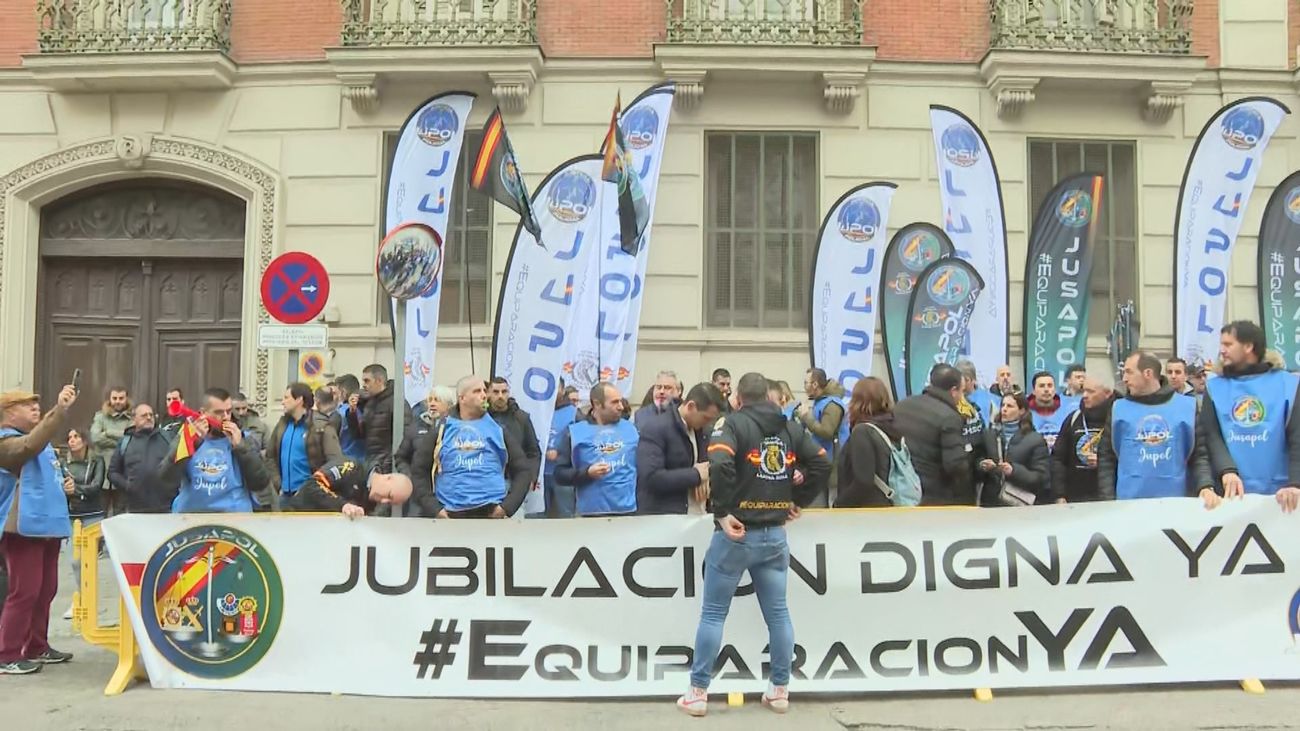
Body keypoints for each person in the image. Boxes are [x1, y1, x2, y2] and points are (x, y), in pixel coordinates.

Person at [677, 372, 830, 717]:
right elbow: (822, 462)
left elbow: (719, 463)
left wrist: (723, 511)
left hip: (736, 532)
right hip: (775, 533)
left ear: (738, 398)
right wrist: (798, 500)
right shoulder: (791, 427)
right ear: (770, 396)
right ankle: (779, 690)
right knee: (778, 614)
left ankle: (698, 692)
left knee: (714, 613)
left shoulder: (729, 425)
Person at [0, 383, 77, 675]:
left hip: (46, 524)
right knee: (24, 591)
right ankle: (6, 654)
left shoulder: (38, 442)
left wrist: (68, 484)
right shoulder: (6, 442)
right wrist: (61, 410)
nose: (35, 407)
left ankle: (36, 645)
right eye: (25, 404)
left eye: (36, 404)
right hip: (21, 528)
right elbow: (28, 447)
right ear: (7, 414)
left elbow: (48, 470)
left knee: (46, 589)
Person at [1200, 320, 1300, 507]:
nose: (1222, 350)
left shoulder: (1289, 384)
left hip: (1282, 493)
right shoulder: (1214, 386)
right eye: (1221, 344)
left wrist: (1296, 483)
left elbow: (1297, 436)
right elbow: (1211, 435)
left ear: (1248, 346)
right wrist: (1226, 470)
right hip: (1230, 492)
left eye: (1228, 344)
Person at [411, 375, 532, 519]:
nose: (483, 395)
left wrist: (506, 507)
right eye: (476, 391)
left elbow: (523, 470)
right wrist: (435, 509)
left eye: (484, 390)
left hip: (491, 514)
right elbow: (419, 471)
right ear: (462, 398)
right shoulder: (441, 431)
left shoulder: (498, 431)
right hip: (450, 516)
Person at [1097, 352, 1212, 500]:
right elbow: (1106, 459)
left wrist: (1205, 486)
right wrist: (1108, 499)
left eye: (1129, 372)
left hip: (1174, 505)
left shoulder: (1187, 406)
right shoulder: (1117, 408)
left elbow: (1199, 455)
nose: (1124, 379)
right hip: (1127, 505)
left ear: (1148, 373)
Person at [161, 388, 272, 513]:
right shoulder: (187, 436)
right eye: (219, 412)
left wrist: (241, 448)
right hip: (193, 516)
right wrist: (192, 443)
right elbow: (166, 479)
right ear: (203, 413)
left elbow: (261, 482)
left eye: (229, 412)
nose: (225, 417)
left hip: (234, 517)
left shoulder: (244, 437)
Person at [636, 382, 725, 515]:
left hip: (697, 514)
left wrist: (706, 475)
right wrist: (696, 475)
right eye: (706, 418)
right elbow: (651, 477)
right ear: (691, 406)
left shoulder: (701, 431)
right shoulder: (655, 428)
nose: (708, 423)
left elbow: (705, 466)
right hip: (665, 518)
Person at [554, 382, 640, 516]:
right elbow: (559, 474)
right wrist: (587, 473)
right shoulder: (575, 432)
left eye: (621, 401)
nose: (621, 407)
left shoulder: (632, 429)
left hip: (628, 512)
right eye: (615, 402)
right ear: (597, 404)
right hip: (592, 514)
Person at [892, 364, 973, 505]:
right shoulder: (950, 418)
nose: (962, 397)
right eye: (962, 392)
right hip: (934, 495)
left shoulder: (901, 405)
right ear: (953, 391)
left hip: (900, 489)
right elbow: (955, 465)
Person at [265, 383, 343, 505]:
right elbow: (270, 456)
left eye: (286, 398)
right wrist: (278, 483)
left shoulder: (321, 427)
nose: (282, 402)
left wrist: (313, 487)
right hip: (284, 496)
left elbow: (335, 462)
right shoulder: (282, 425)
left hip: (311, 497)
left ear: (299, 400)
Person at [835, 376, 904, 508]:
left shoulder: (863, 432)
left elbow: (863, 480)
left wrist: (840, 503)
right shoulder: (893, 426)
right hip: (891, 504)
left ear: (857, 401)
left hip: (867, 510)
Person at [60, 428, 104, 621]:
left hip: (93, 514)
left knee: (89, 561)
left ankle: (88, 600)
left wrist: (75, 490)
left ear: (85, 440)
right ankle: (80, 599)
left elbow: (96, 486)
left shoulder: (96, 460)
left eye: (76, 436)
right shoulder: (63, 463)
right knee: (74, 560)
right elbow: (60, 485)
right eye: (69, 437)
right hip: (72, 515)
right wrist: (65, 490)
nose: (72, 440)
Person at [978, 392, 1051, 505]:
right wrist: (982, 465)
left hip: (1019, 502)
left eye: (1009, 406)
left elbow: (1041, 477)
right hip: (991, 502)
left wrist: (1014, 471)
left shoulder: (1035, 439)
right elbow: (976, 460)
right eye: (1003, 405)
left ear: (1021, 411)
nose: (1004, 409)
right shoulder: (989, 435)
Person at [1050, 378, 1115, 503]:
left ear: (1107, 394)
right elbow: (1058, 459)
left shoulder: (1117, 418)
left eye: (1091, 392)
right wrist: (1059, 494)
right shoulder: (1074, 418)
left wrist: (1104, 461)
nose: (1085, 395)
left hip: (1109, 497)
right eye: (1084, 390)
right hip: (1075, 497)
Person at [792, 368, 847, 507]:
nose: (804, 386)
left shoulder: (832, 404)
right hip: (821, 461)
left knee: (830, 504)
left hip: (832, 462)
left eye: (806, 382)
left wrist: (806, 417)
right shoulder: (820, 402)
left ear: (815, 384)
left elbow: (827, 431)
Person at [107, 404, 175, 513]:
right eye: (144, 415)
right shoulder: (125, 442)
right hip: (134, 508)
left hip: (165, 508)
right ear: (134, 419)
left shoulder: (167, 438)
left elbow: (178, 465)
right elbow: (112, 472)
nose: (148, 418)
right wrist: (128, 486)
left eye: (151, 415)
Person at [288, 460, 412, 518]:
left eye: (390, 503)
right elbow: (313, 484)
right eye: (389, 495)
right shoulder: (350, 468)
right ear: (388, 478)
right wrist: (343, 506)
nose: (384, 501)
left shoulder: (371, 505)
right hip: (297, 519)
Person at [487, 377, 542, 479]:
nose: (500, 396)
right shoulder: (482, 417)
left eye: (504, 392)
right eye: (496, 392)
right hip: (488, 480)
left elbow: (533, 452)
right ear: (488, 394)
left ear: (508, 393)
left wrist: (531, 477)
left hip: (515, 480)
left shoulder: (521, 418)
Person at [396, 386, 453, 482]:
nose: (432, 404)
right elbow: (401, 457)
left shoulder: (454, 428)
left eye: (437, 400)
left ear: (449, 405)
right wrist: (409, 476)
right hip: (419, 485)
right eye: (430, 400)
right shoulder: (416, 426)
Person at [954, 360, 990, 502]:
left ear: (967, 380)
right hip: (976, 462)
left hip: (976, 463)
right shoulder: (990, 399)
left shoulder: (984, 403)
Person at [348, 365, 395, 472]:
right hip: (371, 461)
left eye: (367, 381)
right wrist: (352, 412)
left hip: (387, 465)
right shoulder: (370, 403)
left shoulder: (395, 402)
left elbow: (403, 436)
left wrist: (388, 463)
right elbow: (359, 435)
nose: (364, 385)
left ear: (379, 381)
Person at [545, 386, 580, 518]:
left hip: (563, 474)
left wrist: (560, 453)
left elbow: (582, 441)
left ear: (562, 390)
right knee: (535, 519)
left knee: (566, 518)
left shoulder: (574, 412)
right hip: (538, 476)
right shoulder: (536, 410)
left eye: (557, 386)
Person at [1027, 372, 1080, 454]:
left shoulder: (1068, 409)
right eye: (1042, 386)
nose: (1046, 389)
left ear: (1055, 390)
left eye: (1050, 385)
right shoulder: (1024, 411)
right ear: (1033, 391)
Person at [333, 374, 367, 462]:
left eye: (336, 393)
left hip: (344, 460)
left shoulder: (340, 412)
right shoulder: (364, 408)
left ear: (343, 392)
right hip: (363, 459)